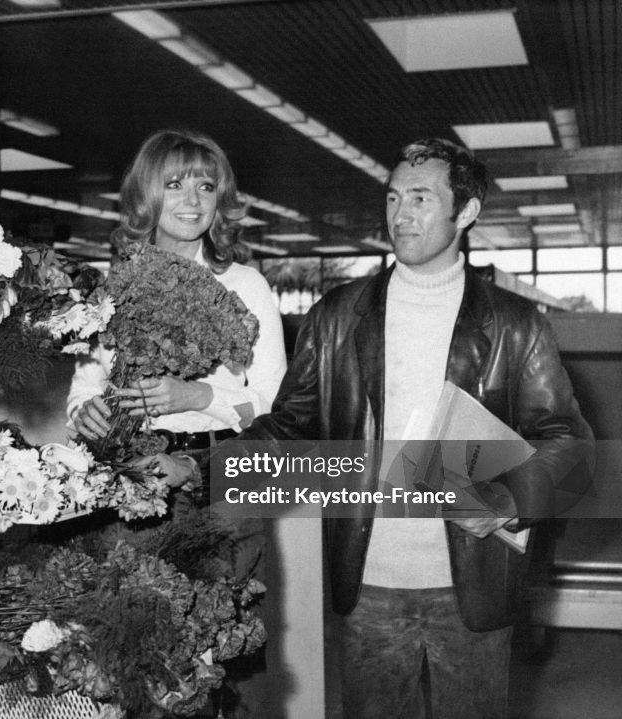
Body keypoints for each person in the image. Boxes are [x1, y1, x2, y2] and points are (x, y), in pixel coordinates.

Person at [230, 138, 592, 719]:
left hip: (471, 587)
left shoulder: (515, 325)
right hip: (366, 584)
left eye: (421, 198)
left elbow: (568, 445)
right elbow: (291, 427)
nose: (401, 214)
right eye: (394, 197)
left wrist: (508, 496)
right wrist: (206, 462)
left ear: (466, 212)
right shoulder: (337, 316)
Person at [68, 128, 286, 469]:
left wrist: (198, 397)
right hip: (126, 469)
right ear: (145, 196)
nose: (194, 201)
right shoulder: (113, 286)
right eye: (175, 185)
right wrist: (83, 412)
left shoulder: (245, 285)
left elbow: (276, 408)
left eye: (206, 187)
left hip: (215, 471)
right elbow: (84, 386)